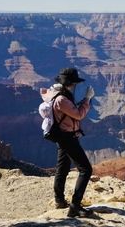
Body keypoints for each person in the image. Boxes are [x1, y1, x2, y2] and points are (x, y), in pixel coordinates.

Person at [51, 67, 96, 218]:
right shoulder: (62, 99)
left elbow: (73, 110)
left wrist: (83, 100)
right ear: (71, 83)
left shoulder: (63, 95)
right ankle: (75, 207)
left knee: (62, 167)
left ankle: (59, 200)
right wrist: (88, 99)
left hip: (64, 136)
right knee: (86, 169)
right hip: (67, 138)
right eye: (75, 83)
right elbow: (78, 114)